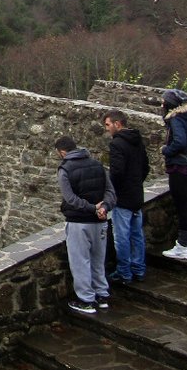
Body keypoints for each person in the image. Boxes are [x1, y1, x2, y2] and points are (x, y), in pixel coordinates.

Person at [55, 135, 117, 314]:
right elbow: (110, 192)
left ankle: (86, 300)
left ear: (63, 152)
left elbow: (70, 198)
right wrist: (103, 207)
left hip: (78, 221)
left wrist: (90, 208)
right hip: (100, 221)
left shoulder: (65, 168)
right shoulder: (97, 165)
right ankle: (102, 295)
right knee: (98, 259)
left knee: (80, 260)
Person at [102, 110, 150, 284]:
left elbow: (117, 172)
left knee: (121, 237)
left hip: (123, 198)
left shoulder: (117, 144)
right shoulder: (137, 141)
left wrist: (112, 193)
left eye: (108, 125)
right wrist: (136, 183)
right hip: (137, 195)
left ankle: (124, 272)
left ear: (118, 124)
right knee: (137, 235)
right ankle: (139, 269)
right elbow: (145, 167)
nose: (107, 129)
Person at [160, 89, 187, 260]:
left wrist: (166, 150)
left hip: (179, 167)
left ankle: (184, 245)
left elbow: (180, 141)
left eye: (164, 102)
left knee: (183, 205)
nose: (162, 104)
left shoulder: (176, 119)